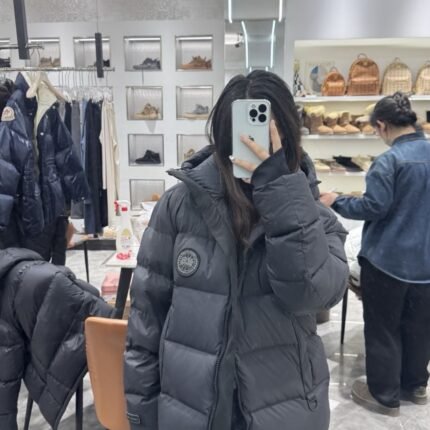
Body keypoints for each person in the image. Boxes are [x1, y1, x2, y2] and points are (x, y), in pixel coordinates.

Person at [124, 70, 349, 430]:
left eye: (266, 132)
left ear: (288, 135)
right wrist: (142, 414)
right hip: (191, 409)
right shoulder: (179, 206)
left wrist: (280, 191)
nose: (252, 141)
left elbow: (311, 295)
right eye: (241, 131)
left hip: (286, 408)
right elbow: (146, 321)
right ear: (222, 134)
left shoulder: (312, 214)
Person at [320, 92, 430, 417]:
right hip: (426, 261)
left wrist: (337, 200)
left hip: (388, 260)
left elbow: (374, 207)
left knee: (383, 327)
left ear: (381, 125)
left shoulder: (389, 162)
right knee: (420, 326)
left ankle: (384, 394)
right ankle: (416, 385)